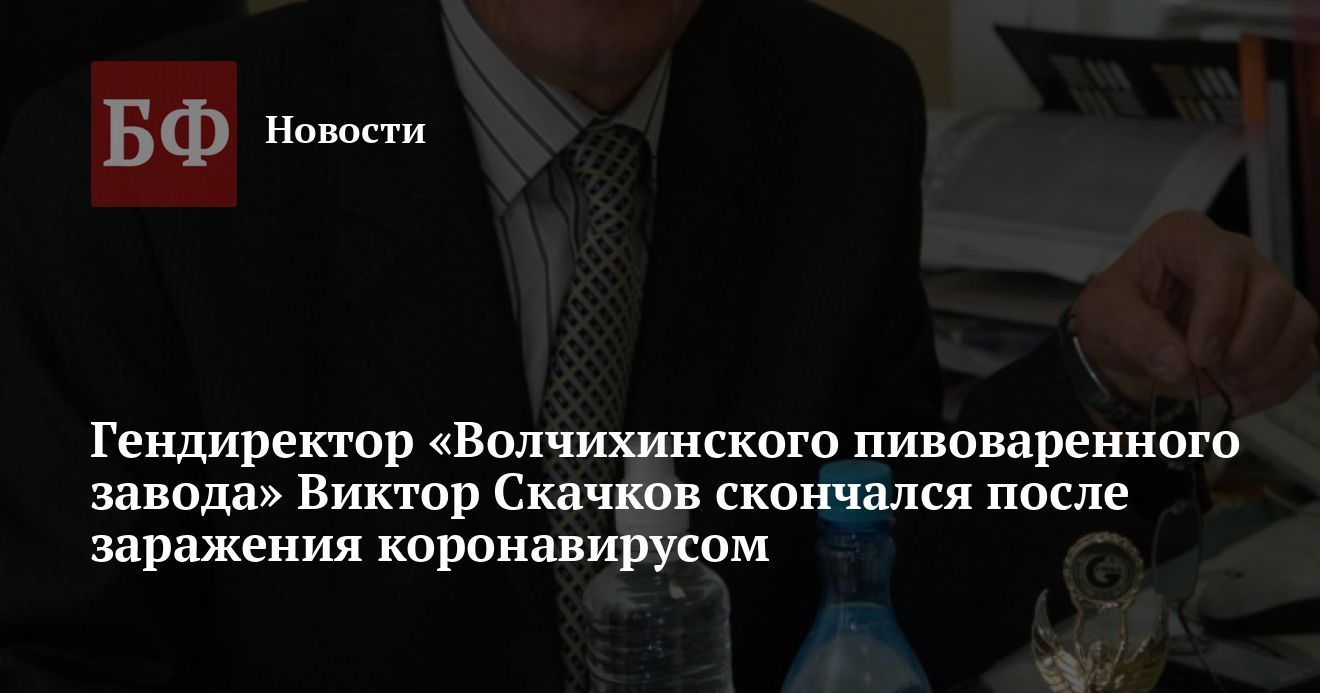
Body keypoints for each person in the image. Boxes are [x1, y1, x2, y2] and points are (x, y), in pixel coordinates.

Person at [0, 0, 1314, 690]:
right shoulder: (148, 148)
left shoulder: (836, 103)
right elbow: (69, 660)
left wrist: (1097, 377)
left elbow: (866, 576)